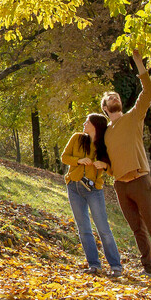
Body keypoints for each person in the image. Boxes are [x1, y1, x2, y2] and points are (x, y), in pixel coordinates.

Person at [103, 49, 151, 279]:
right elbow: (106, 162)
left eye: (116, 96)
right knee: (137, 229)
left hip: (140, 180)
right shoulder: (105, 133)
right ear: (105, 108)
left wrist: (139, 63)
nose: (114, 97)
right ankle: (148, 269)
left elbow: (148, 91)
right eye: (109, 98)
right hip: (121, 186)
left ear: (120, 104)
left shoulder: (133, 117)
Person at [60, 113, 122, 277]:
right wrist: (79, 161)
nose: (84, 123)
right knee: (84, 228)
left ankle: (116, 266)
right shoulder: (77, 138)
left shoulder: (104, 145)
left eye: (87, 121)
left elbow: (113, 169)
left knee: (103, 228)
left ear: (96, 125)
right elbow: (64, 157)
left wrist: (104, 165)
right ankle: (94, 265)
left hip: (94, 189)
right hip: (74, 186)